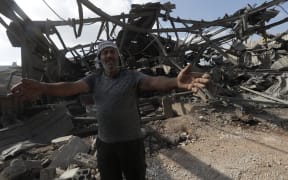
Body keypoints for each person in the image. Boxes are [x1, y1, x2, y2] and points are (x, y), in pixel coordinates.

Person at [10, 40, 210, 180]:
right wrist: (44, 87)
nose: (108, 55)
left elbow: (152, 82)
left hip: (131, 144)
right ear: (100, 58)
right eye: (104, 52)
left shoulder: (132, 76)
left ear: (118, 57)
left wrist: (175, 81)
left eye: (112, 51)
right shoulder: (94, 79)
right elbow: (71, 87)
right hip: (105, 145)